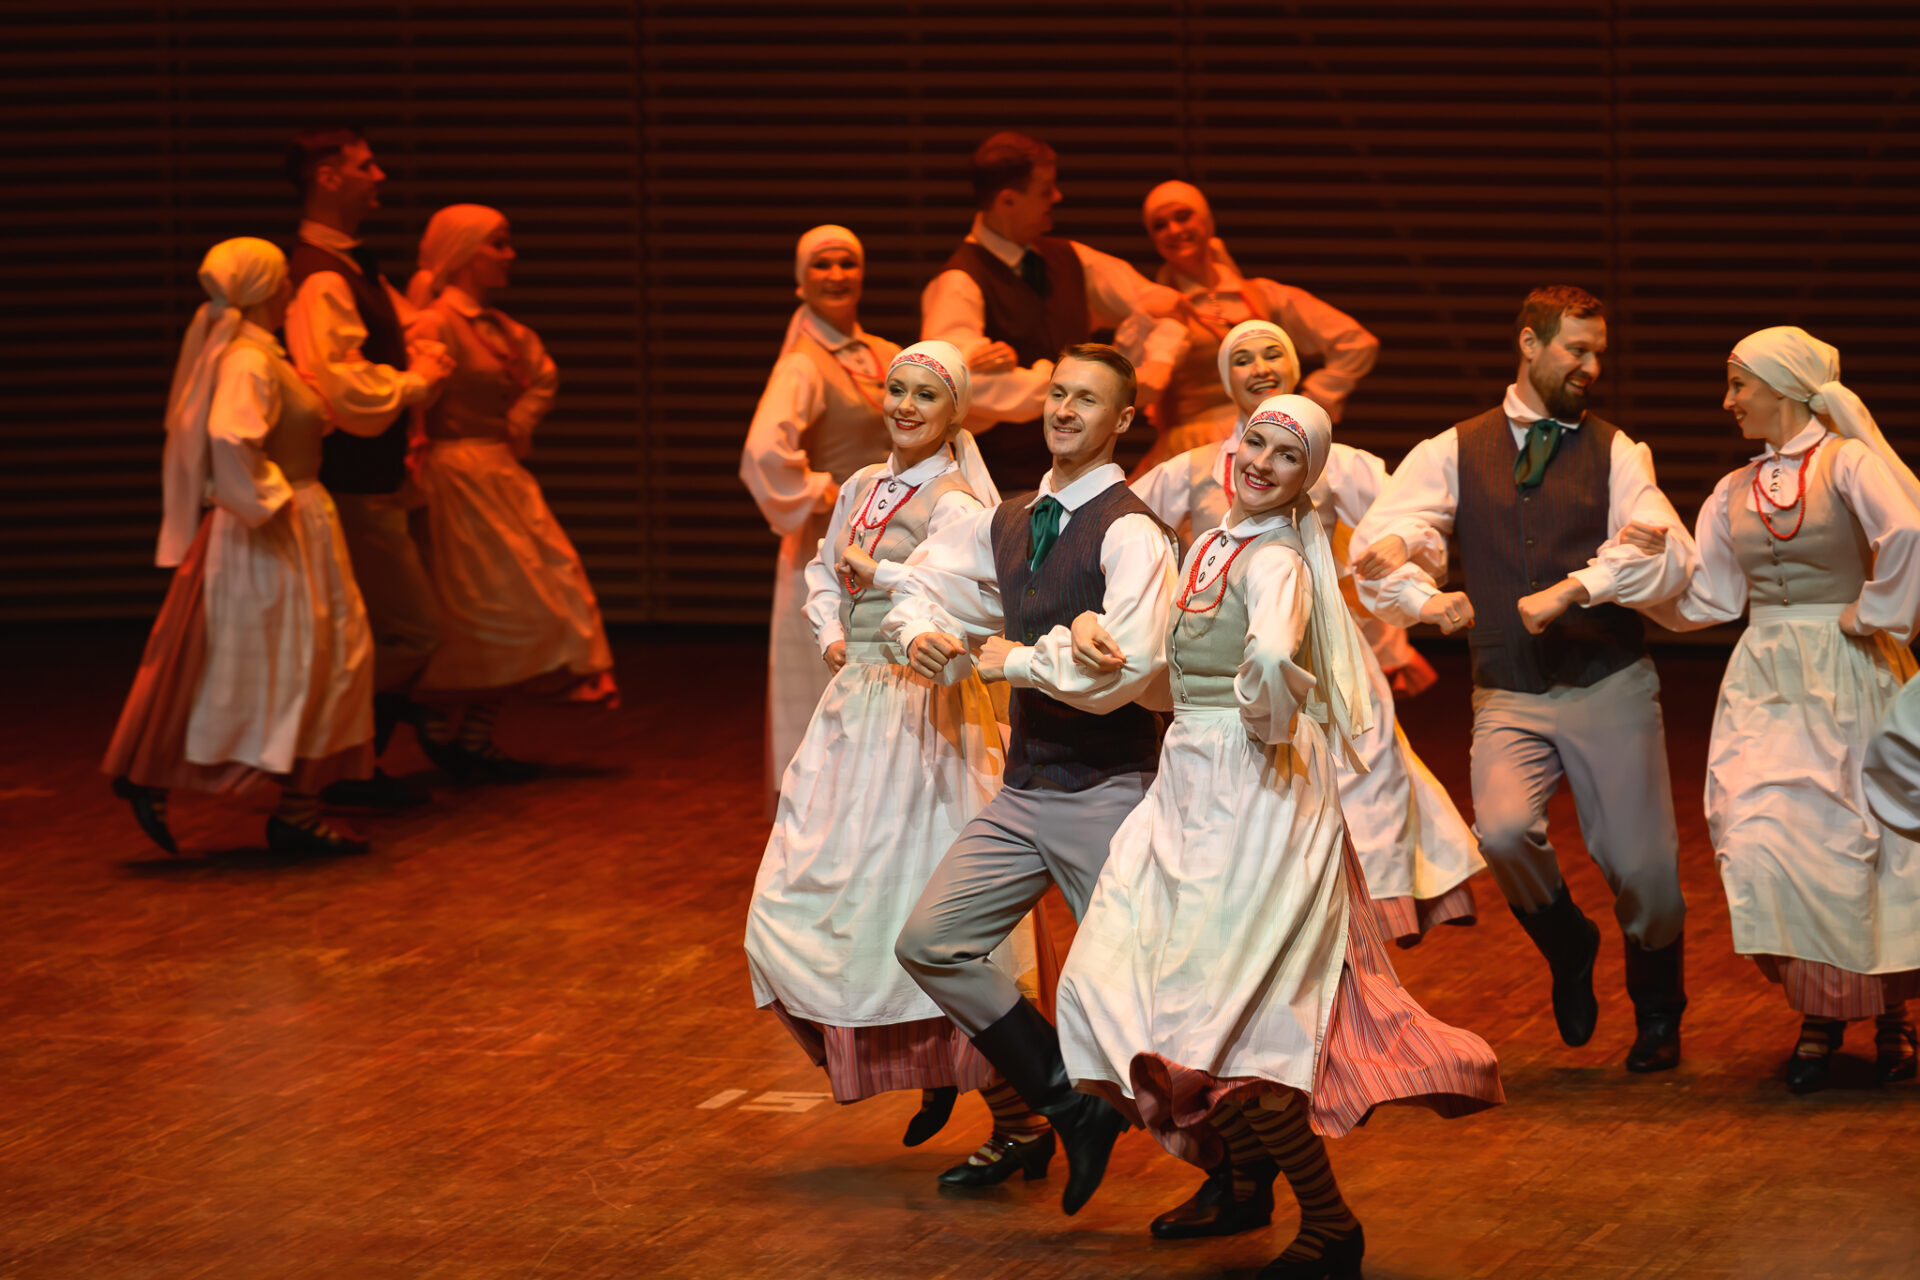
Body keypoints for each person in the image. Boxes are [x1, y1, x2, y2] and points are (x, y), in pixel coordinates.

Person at [1057, 395, 1502, 1279]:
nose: (1262, 462)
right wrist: (1083, 632)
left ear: (1308, 477)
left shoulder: (1278, 562)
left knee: (1239, 1034)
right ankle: (1242, 1180)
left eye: (1286, 456)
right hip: (1189, 786)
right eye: (1254, 443)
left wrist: (1261, 698)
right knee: (1113, 980)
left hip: (1257, 799)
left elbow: (1269, 657)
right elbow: (1168, 670)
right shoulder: (1206, 546)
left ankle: (1327, 1222)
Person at [1351, 285, 1697, 1073]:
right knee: (1503, 832)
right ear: (1530, 344)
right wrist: (1417, 586)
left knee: (1645, 870)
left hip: (1607, 679)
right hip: (1508, 685)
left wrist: (1579, 587)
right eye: (1577, 348)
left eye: (1598, 352)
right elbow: (1390, 538)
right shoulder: (1454, 448)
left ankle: (1657, 1010)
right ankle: (1569, 943)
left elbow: (1663, 549)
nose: (1591, 366)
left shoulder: (1617, 450)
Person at [745, 341, 1052, 1180]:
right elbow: (822, 571)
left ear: (956, 412)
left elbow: (972, 603)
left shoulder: (958, 504)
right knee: (804, 905)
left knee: (917, 910)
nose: (907, 406)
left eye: (927, 395)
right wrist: (833, 635)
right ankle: (931, 1065)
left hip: (923, 721)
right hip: (855, 713)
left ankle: (1022, 1117)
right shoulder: (859, 485)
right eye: (897, 390)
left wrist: (892, 598)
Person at [884, 344, 1179, 1216]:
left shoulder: (1130, 529)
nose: (1065, 410)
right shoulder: (1010, 518)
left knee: (1144, 1000)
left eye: (1087, 400)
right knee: (931, 942)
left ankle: (1238, 1170)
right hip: (1024, 793)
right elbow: (923, 582)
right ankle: (1064, 1101)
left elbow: (1128, 671)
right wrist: (919, 632)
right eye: (1058, 393)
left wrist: (1012, 660)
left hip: (1108, 790)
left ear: (1122, 420)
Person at [1133, 320, 1479, 948]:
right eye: (1243, 358)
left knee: (1362, 778)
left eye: (1273, 354)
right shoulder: (1194, 468)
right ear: (1226, 379)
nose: (1260, 367)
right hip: (1231, 662)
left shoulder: (1339, 463)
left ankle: (1360, 941)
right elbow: (1122, 527)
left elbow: (1402, 527)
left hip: (1325, 652)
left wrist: (1418, 584)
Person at [1661, 327, 1920, 1092]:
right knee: (1764, 836)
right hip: (1766, 678)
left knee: (1856, 839)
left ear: (1782, 387)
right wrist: (1635, 575)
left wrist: (1874, 611)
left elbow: (1909, 530)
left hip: (1849, 671)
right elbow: (1711, 597)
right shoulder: (1733, 489)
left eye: (1739, 384)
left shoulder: (1849, 463)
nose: (1728, 401)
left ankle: (1886, 1014)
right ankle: (1821, 1005)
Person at [105, 237, 376, 856]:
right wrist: (267, 500)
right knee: (279, 664)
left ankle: (295, 810)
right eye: (284, 280)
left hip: (293, 522)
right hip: (272, 528)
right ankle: (176, 777)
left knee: (317, 661)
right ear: (267, 288)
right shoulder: (248, 359)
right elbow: (231, 436)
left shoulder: (261, 353)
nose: (291, 289)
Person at [402, 205, 616, 779]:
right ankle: (439, 718)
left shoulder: (499, 328)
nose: (509, 255)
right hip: (453, 474)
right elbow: (414, 397)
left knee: (541, 594)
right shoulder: (433, 325)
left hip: (497, 471)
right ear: (464, 251)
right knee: (476, 603)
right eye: (497, 244)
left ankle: (474, 732)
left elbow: (542, 375)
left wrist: (517, 421)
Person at [283, 127, 452, 802]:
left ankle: (352, 764)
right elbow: (344, 388)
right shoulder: (322, 276)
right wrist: (416, 383)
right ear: (328, 176)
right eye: (365, 165)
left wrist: (419, 360)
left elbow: (409, 330)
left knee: (390, 629)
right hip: (351, 480)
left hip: (376, 477)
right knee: (410, 630)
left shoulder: (352, 266)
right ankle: (328, 764)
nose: (379, 177)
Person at [921, 132, 1189, 488]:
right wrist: (1074, 387)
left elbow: (1164, 305)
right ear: (1008, 200)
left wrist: (1157, 366)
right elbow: (957, 385)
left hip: (1087, 479)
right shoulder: (959, 282)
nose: (1058, 197)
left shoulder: (1071, 257)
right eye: (1045, 190)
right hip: (1005, 487)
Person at [741, 226, 898, 810]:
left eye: (847, 263)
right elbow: (764, 452)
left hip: (893, 539)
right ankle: (826, 810)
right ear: (800, 281)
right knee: (831, 668)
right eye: (822, 265)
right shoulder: (803, 366)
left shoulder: (881, 353)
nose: (836, 275)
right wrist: (829, 492)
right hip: (831, 544)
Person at [1128, 180, 1378, 474]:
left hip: (1270, 432)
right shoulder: (1157, 310)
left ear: (1207, 221)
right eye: (1159, 225)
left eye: (1183, 217)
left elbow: (1356, 342)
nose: (1173, 230)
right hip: (1195, 448)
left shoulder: (1262, 295)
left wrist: (1314, 400)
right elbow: (1125, 387)